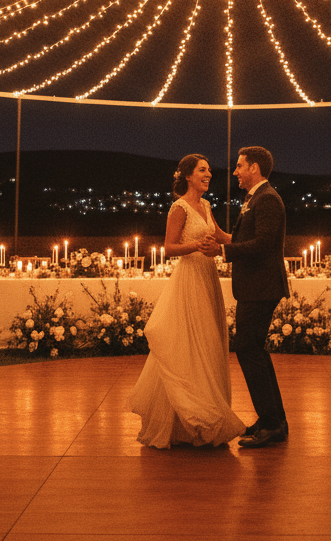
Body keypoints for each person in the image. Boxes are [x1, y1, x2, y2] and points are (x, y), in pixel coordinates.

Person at [129, 154, 246, 448]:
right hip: (189, 279)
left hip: (208, 278)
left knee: (208, 344)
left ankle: (205, 413)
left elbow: (220, 235)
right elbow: (168, 248)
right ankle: (190, 417)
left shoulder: (205, 205)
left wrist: (248, 242)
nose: (208, 174)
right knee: (188, 345)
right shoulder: (178, 207)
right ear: (188, 176)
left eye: (209, 170)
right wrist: (198, 245)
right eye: (202, 170)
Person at [200, 146, 289, 448]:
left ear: (255, 168)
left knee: (248, 350)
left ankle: (273, 424)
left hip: (262, 287)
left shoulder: (268, 200)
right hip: (256, 286)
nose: (235, 171)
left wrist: (223, 251)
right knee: (255, 351)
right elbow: (248, 239)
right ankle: (272, 420)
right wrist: (223, 238)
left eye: (239, 166)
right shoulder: (256, 199)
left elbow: (263, 244)